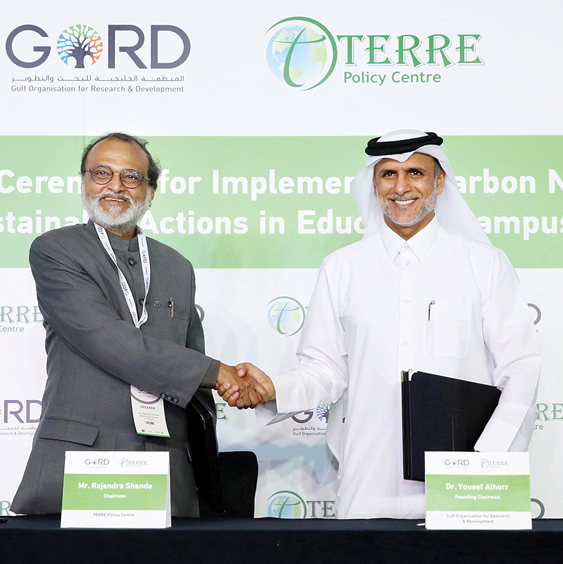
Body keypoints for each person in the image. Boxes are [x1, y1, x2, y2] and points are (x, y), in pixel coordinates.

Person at [221, 130, 542, 519]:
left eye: (415, 173)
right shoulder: (343, 267)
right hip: (368, 476)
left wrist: (486, 457)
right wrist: (275, 388)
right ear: (374, 185)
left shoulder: (484, 264)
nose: (401, 186)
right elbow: (325, 369)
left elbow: (521, 366)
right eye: (389, 174)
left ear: (439, 181)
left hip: (463, 477)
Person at [12, 132, 259, 517]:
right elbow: (109, 341)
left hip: (167, 462)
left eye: (131, 177)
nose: (115, 186)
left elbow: (190, 356)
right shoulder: (56, 250)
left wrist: (230, 393)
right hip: (81, 460)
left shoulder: (176, 265)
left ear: (150, 191)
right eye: (102, 173)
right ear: (84, 182)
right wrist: (219, 373)